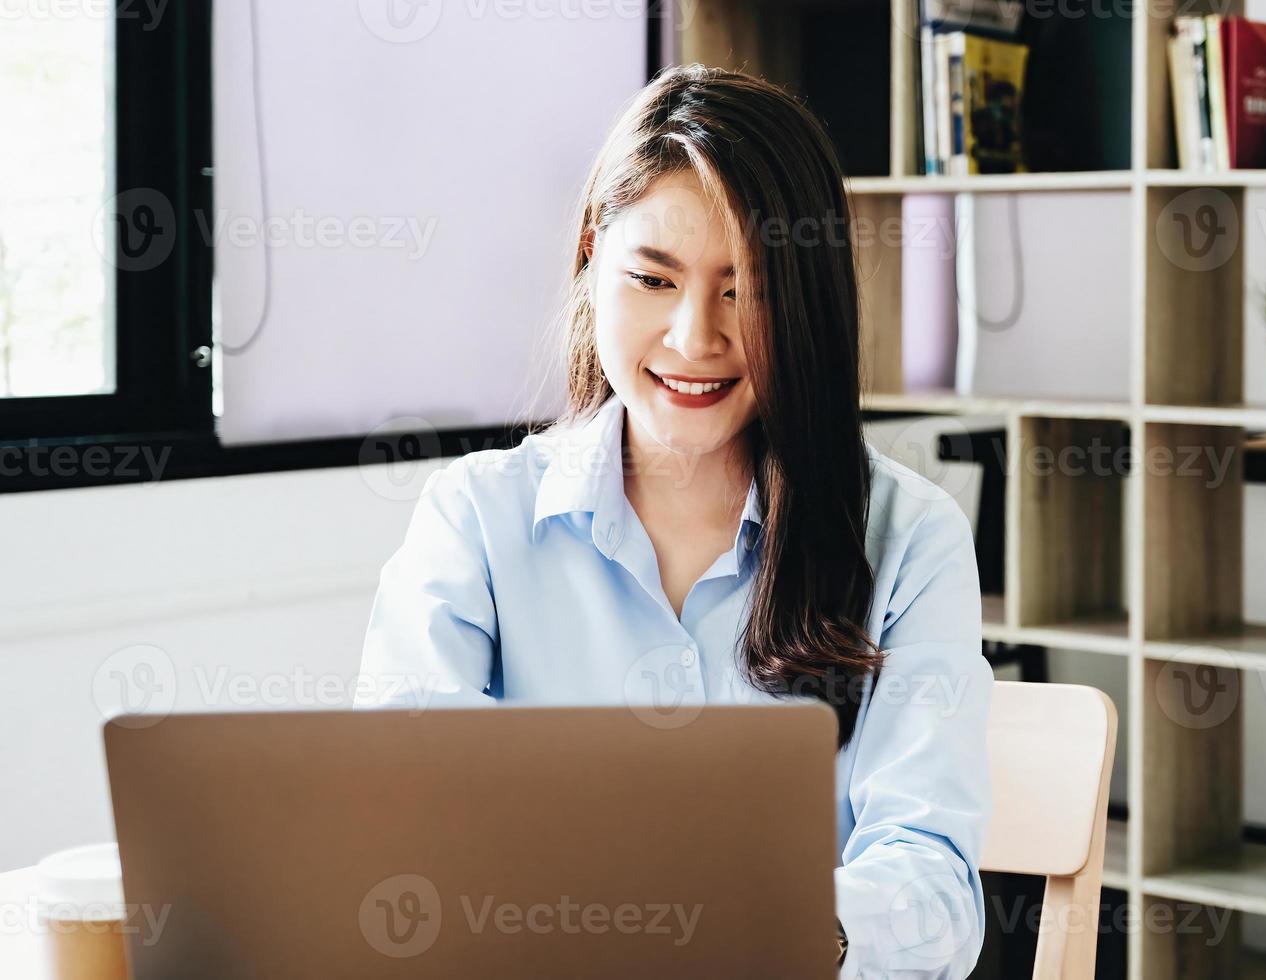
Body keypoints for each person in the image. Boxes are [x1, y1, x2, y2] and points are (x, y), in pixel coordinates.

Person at [356, 63, 993, 977]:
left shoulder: (907, 538)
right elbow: (396, 819)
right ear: (590, 260)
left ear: (808, 298)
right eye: (654, 279)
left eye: (748, 288)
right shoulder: (477, 521)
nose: (697, 337)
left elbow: (933, 887)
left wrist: (777, 927)